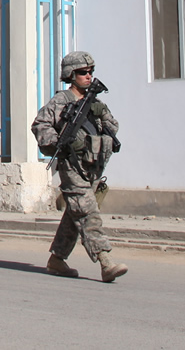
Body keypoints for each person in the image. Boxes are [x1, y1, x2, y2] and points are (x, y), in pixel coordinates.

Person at [30, 51, 128, 283]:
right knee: (86, 212)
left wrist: (101, 115)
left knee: (76, 212)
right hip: (71, 165)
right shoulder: (60, 102)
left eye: (90, 72)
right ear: (70, 75)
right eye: (83, 72)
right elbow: (40, 125)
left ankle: (57, 259)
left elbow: (112, 125)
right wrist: (58, 141)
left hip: (92, 166)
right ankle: (105, 261)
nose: (88, 76)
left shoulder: (94, 102)